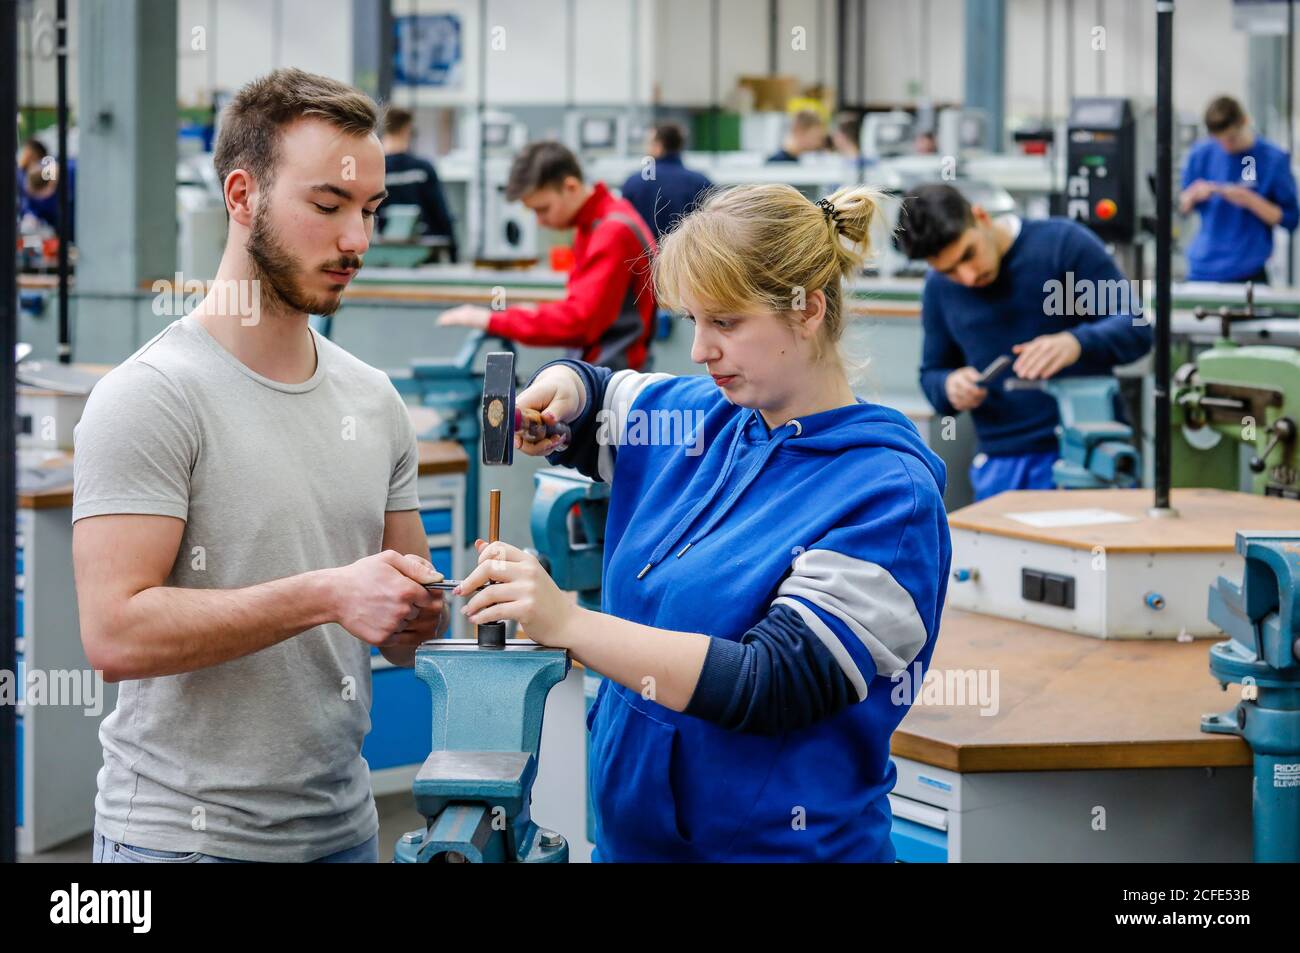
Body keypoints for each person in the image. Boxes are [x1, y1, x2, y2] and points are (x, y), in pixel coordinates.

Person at [451, 183, 951, 861]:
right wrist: (562, 391)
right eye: (692, 320)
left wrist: (567, 624)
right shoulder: (699, 417)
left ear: (808, 309)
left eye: (725, 323)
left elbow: (771, 681)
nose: (699, 350)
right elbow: (596, 392)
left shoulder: (887, 496)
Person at [73, 68, 449, 865]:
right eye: (328, 205)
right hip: (179, 842)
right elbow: (115, 634)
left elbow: (412, 637)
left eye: (370, 211)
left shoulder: (374, 400)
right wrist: (327, 591)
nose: (358, 240)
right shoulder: (152, 396)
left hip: (343, 831)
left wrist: (433, 609)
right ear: (241, 196)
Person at [895, 183, 1152, 500]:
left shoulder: (1063, 245)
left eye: (968, 255)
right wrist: (949, 386)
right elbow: (932, 374)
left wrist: (1076, 342)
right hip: (1003, 468)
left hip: (1091, 454)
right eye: (949, 271)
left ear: (981, 217)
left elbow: (1135, 326)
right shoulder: (938, 289)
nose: (968, 277)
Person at [438, 141, 658, 371]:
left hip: (613, 380)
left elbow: (579, 322)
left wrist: (493, 319)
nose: (540, 221)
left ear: (571, 187)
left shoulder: (612, 232)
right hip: (604, 370)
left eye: (543, 209)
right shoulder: (600, 221)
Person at [1180, 94, 1299, 284]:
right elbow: (1181, 209)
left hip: (1248, 271)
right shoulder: (1201, 154)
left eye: (1232, 139)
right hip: (1202, 270)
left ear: (1245, 121)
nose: (1226, 146)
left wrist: (1250, 201)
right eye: (1219, 141)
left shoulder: (1273, 160)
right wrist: (1192, 196)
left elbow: (1290, 219)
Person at [378, 106, 458, 261]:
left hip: (385, 253)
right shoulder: (422, 169)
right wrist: (454, 253)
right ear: (407, 130)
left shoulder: (376, 170)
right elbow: (441, 213)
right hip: (423, 253)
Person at [619, 122, 713, 241]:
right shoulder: (701, 182)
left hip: (644, 256)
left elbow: (623, 225)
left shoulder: (634, 182)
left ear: (658, 147)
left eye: (649, 144)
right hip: (686, 256)